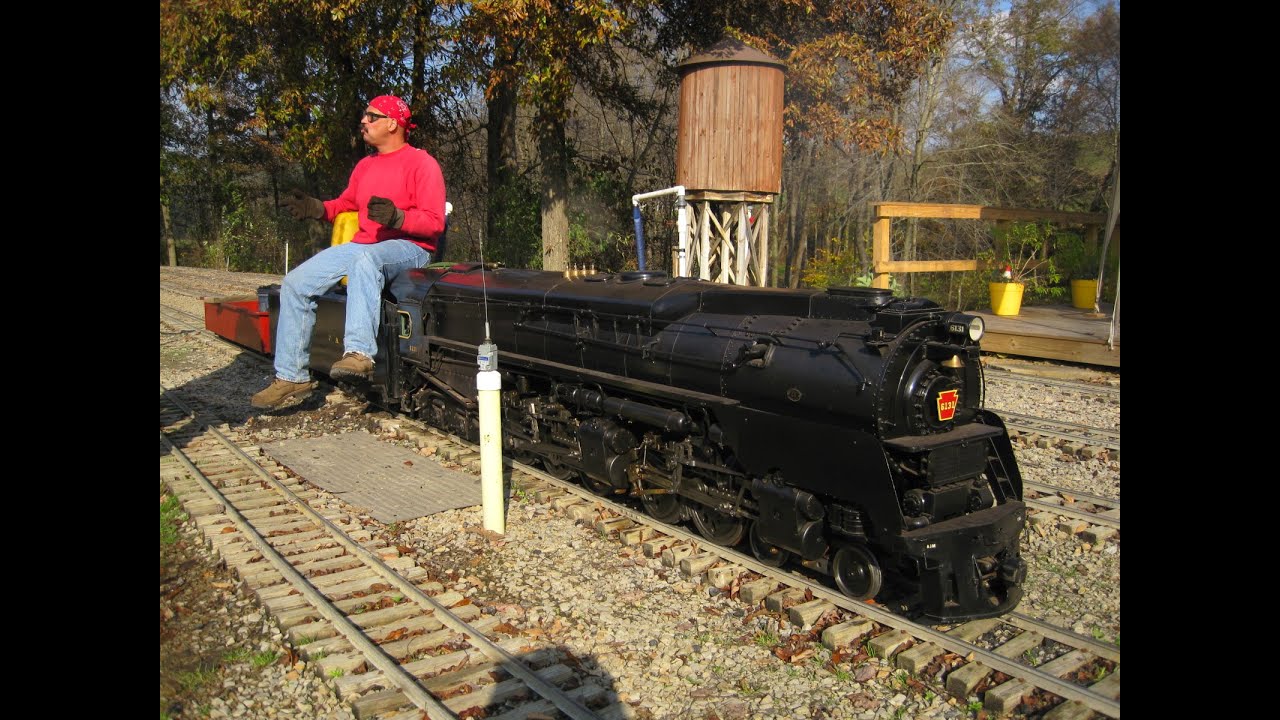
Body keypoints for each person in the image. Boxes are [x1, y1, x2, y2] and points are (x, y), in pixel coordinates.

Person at [251, 94, 447, 410]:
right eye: (364, 117)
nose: (364, 122)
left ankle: (359, 354)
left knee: (365, 259)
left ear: (393, 123)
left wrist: (399, 217)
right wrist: (316, 208)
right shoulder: (365, 166)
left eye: (371, 116)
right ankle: (292, 376)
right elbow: (344, 204)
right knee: (295, 284)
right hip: (364, 246)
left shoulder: (422, 164)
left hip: (410, 247)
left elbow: (435, 223)